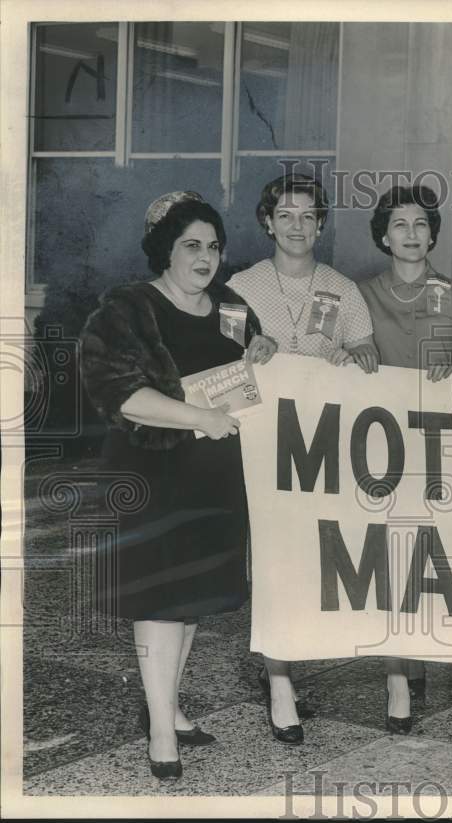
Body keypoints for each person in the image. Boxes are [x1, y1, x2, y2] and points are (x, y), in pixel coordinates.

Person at [80, 192, 277, 781]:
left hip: (214, 479)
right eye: (191, 245)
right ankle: (162, 731)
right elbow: (119, 394)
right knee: (160, 603)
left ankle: (167, 705)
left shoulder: (229, 305)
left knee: (190, 603)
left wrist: (263, 348)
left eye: (213, 246)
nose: (205, 257)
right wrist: (200, 418)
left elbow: (249, 359)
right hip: (152, 476)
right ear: (165, 249)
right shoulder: (127, 307)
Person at [228, 173, 378, 745]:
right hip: (262, 446)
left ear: (321, 222)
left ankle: (305, 655)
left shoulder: (343, 287)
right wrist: (249, 351)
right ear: (268, 221)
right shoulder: (239, 287)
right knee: (270, 560)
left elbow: (369, 352)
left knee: (319, 558)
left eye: (308, 215)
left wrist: (353, 353)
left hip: (322, 447)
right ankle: (280, 682)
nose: (297, 226)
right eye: (285, 215)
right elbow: (218, 360)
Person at [358, 184, 452, 734]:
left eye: (421, 224)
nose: (411, 234)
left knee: (431, 561)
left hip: (443, 453)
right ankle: (398, 679)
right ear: (384, 234)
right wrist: (353, 349)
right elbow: (325, 357)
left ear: (433, 233)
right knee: (390, 562)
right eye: (400, 224)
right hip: (379, 452)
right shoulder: (360, 295)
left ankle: (425, 653)